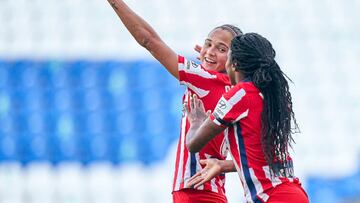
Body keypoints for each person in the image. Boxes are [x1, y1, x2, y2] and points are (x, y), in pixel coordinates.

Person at [106, 0, 243, 202]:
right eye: (208, 44)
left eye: (221, 49)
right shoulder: (236, 89)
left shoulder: (206, 80)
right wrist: (212, 60)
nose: (210, 52)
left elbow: (150, 41)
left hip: (195, 191)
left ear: (234, 59)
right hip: (209, 192)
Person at [185, 33, 309, 203]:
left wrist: (196, 123)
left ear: (234, 64)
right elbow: (260, 160)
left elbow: (193, 145)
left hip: (271, 196)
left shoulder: (239, 95)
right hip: (293, 193)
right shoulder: (273, 97)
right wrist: (221, 165)